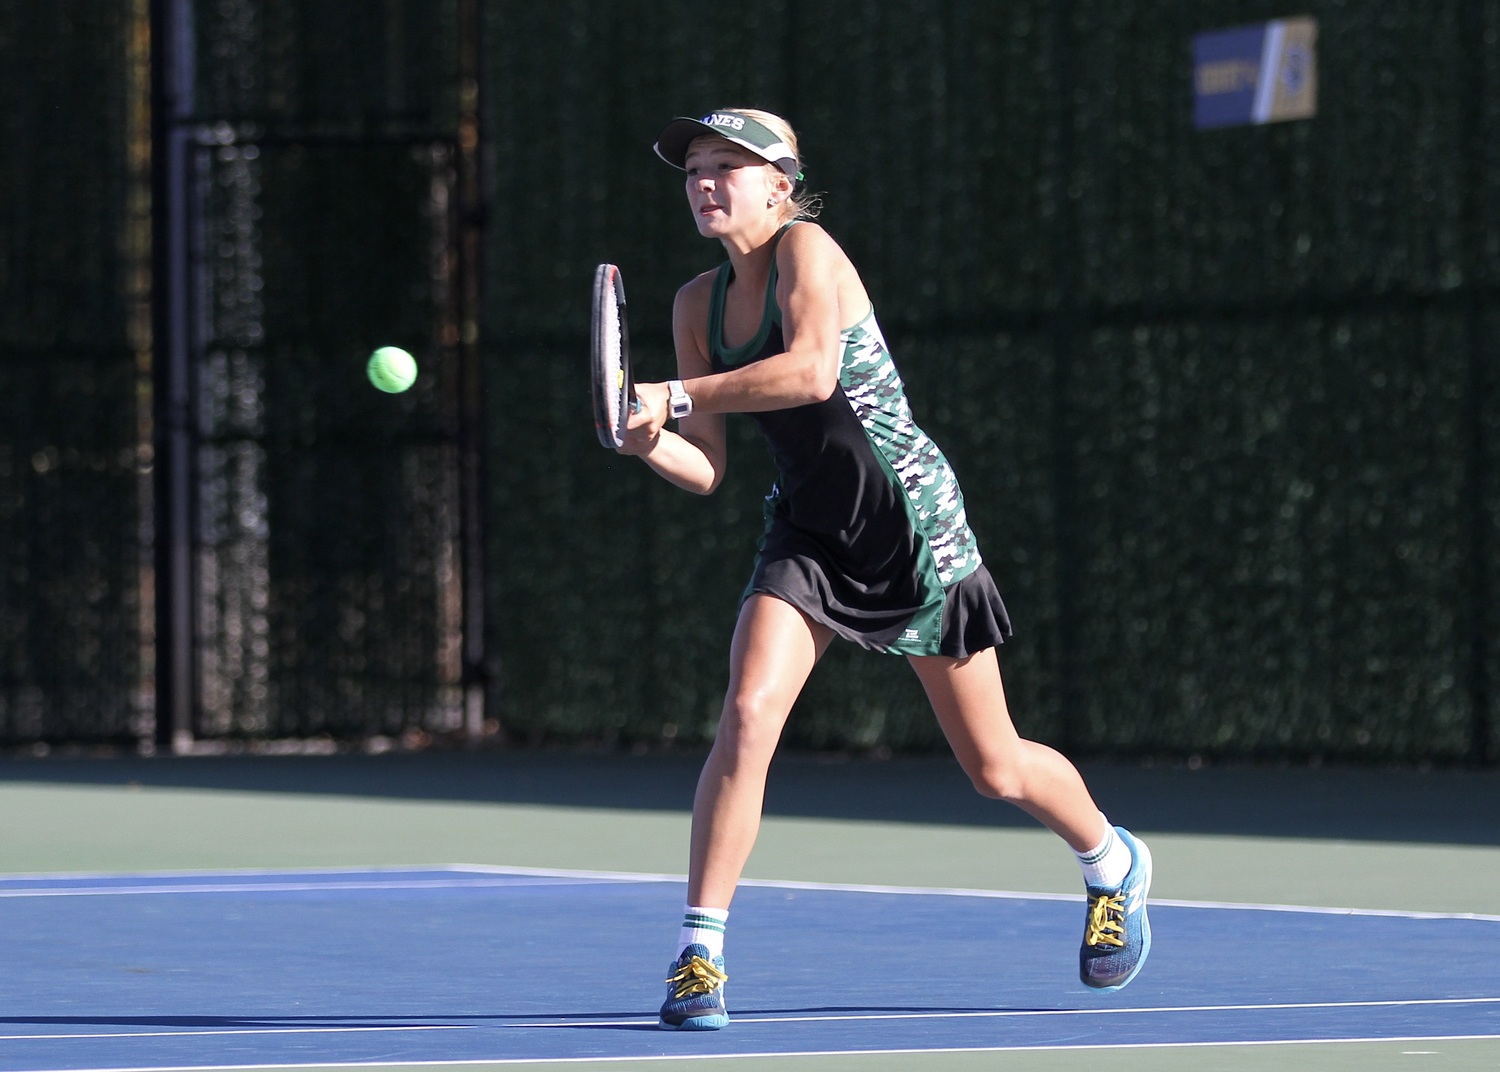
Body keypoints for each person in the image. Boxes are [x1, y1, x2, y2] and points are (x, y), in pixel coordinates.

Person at [618, 108, 1152, 1032]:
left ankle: (1113, 863)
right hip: (807, 532)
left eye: (727, 168)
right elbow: (707, 466)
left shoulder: (808, 252)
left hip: (909, 526)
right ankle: (698, 955)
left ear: (781, 184)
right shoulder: (691, 306)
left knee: (994, 768)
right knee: (748, 711)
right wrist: (647, 441)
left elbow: (812, 373)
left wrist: (672, 392)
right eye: (695, 169)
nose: (706, 183)